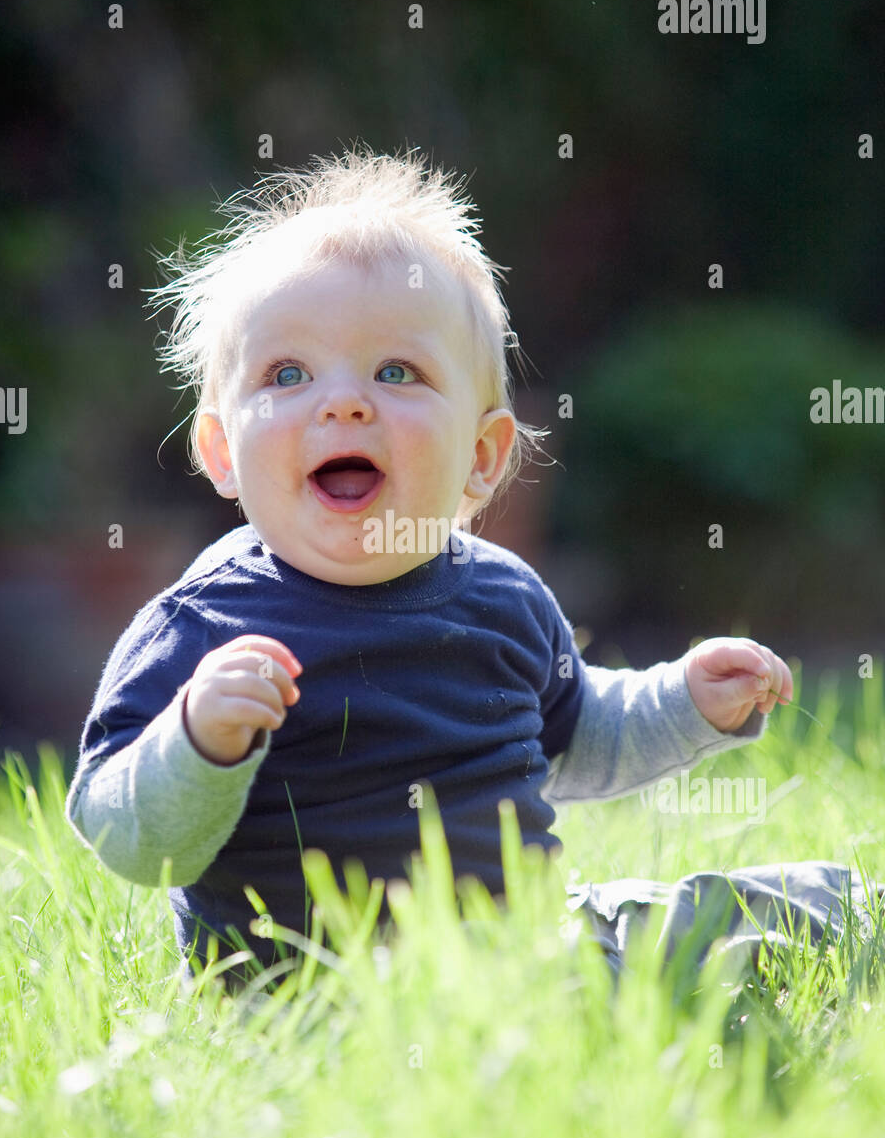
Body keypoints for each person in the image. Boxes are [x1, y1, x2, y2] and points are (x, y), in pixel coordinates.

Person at [66, 143, 853, 994]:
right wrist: (195, 740)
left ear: (482, 459)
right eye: (287, 373)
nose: (343, 401)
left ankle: (854, 914)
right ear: (221, 450)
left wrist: (686, 700)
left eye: (396, 371)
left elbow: (579, 731)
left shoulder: (500, 597)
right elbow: (124, 837)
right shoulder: (202, 629)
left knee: (739, 924)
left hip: (531, 961)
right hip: (303, 1000)